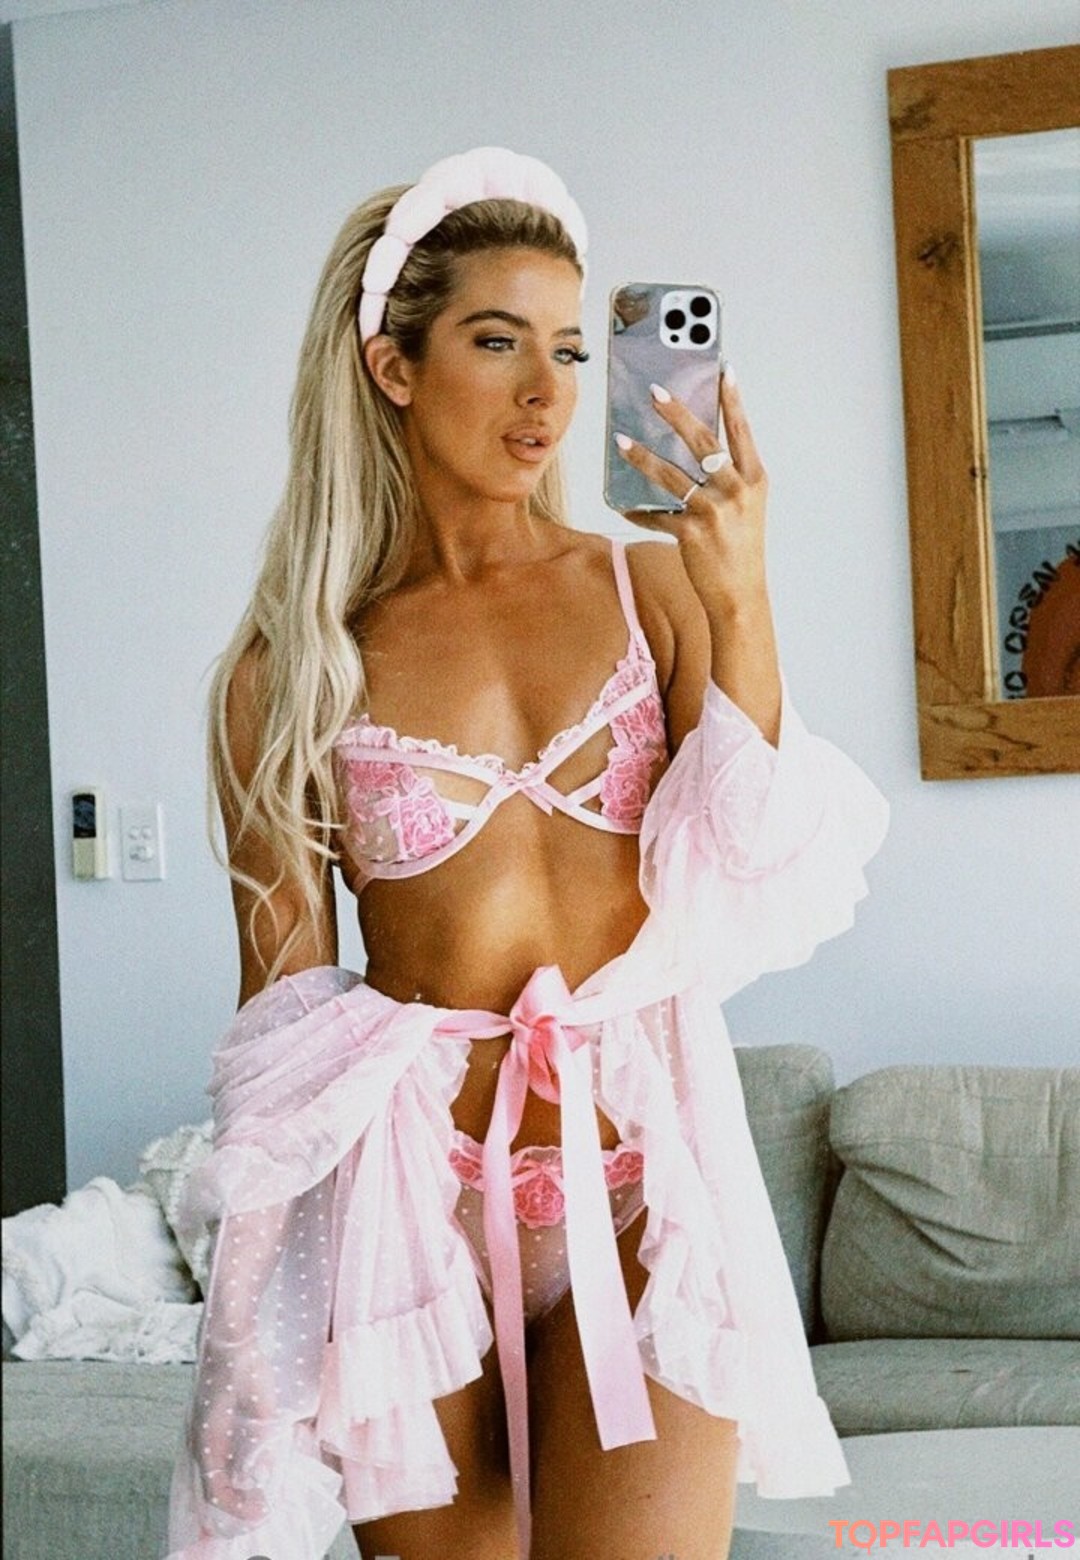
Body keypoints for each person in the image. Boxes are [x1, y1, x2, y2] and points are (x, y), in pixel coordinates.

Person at [165, 147, 888, 1560]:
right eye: (497, 342)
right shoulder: (289, 670)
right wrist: (254, 1326)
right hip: (405, 1209)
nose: (547, 394)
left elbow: (761, 860)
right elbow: (284, 1025)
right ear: (392, 366)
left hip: (640, 1187)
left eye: (568, 348)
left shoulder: (652, 589)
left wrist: (743, 594)